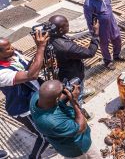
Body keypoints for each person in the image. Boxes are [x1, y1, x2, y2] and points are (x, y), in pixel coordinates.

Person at [0, 31, 50, 159]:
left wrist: (44, 63)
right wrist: (40, 47)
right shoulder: (1, 73)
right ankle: (34, 157)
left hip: (36, 99)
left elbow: (31, 68)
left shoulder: (13, 55)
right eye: (8, 48)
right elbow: (31, 75)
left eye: (11, 45)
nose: (13, 48)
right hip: (24, 109)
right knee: (44, 137)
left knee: (48, 128)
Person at [30, 80, 101, 158]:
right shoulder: (52, 122)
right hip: (78, 147)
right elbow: (81, 127)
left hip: (63, 145)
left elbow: (58, 99)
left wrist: (67, 93)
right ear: (56, 99)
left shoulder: (37, 97)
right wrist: (74, 100)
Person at [49, 15, 99, 101]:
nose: (69, 26)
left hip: (61, 72)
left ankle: (81, 91)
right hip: (72, 75)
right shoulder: (66, 47)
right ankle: (79, 100)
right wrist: (96, 34)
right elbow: (90, 53)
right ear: (60, 30)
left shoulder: (48, 36)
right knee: (76, 95)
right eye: (67, 25)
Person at [83, 0, 125, 70]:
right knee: (104, 43)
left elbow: (108, 4)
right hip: (101, 26)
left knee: (117, 38)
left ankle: (116, 55)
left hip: (111, 21)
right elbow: (90, 20)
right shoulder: (88, 4)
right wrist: (94, 32)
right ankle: (107, 61)